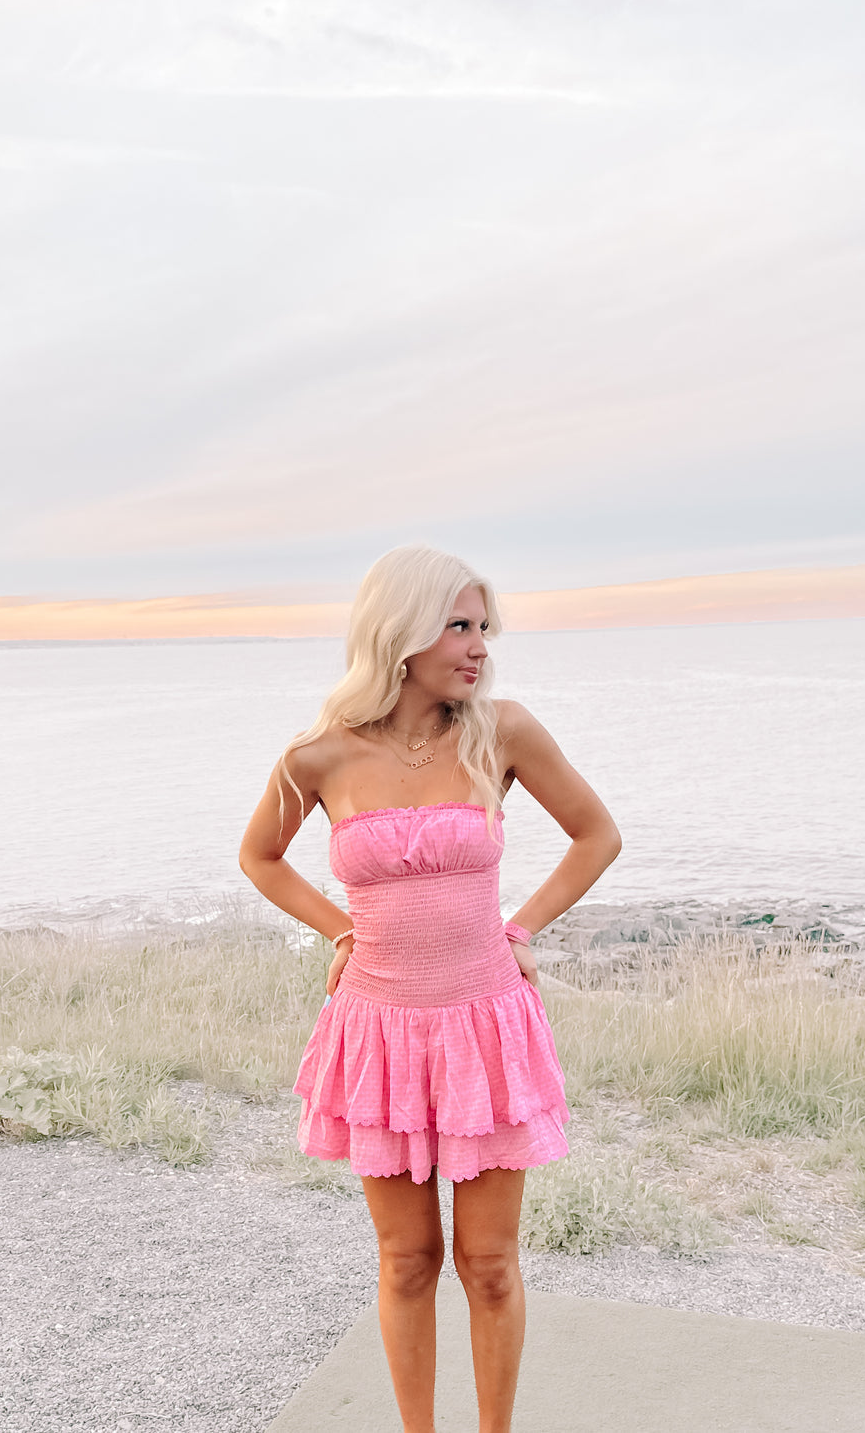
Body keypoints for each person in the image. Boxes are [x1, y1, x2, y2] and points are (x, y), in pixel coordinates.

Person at [239, 545, 621, 1433]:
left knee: (488, 1264)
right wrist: (337, 927)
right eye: (459, 624)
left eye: (484, 626)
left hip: (485, 1024)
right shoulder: (320, 754)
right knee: (408, 1259)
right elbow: (260, 856)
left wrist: (519, 929)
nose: (479, 645)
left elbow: (596, 835)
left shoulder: (504, 732)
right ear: (400, 633)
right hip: (378, 1026)